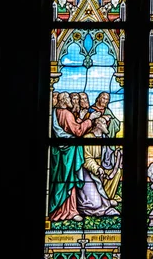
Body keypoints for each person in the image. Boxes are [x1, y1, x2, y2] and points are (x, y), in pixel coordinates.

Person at [48, 92, 101, 222]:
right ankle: (68, 211)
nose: (72, 101)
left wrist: (81, 118)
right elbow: (77, 131)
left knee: (60, 180)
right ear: (65, 101)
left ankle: (63, 210)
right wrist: (90, 119)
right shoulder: (66, 113)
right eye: (69, 99)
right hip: (68, 153)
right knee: (68, 182)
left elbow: (69, 128)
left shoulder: (55, 112)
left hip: (59, 153)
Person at [76, 117, 121, 217]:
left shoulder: (104, 138)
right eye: (104, 123)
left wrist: (116, 154)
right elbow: (86, 159)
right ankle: (97, 208)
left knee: (117, 173)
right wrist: (97, 168)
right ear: (98, 125)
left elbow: (109, 155)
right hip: (87, 171)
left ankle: (107, 201)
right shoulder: (87, 138)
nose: (106, 125)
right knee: (95, 203)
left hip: (101, 168)